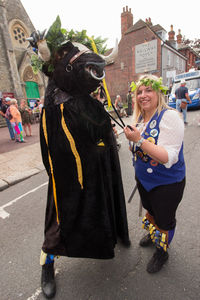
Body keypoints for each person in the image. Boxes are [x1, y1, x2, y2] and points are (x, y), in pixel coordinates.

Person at [27, 25, 130, 299]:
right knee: (57, 220)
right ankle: (47, 264)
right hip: (65, 179)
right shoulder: (53, 100)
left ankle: (113, 233)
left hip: (95, 171)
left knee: (101, 205)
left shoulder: (88, 102)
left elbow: (103, 131)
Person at [124, 74, 185, 273]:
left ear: (158, 93)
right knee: (151, 212)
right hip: (144, 180)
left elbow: (167, 157)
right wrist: (132, 141)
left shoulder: (170, 116)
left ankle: (162, 251)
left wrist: (139, 140)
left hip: (167, 183)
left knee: (164, 220)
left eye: (148, 90)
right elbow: (136, 149)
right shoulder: (141, 119)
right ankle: (152, 235)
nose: (143, 95)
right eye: (139, 92)